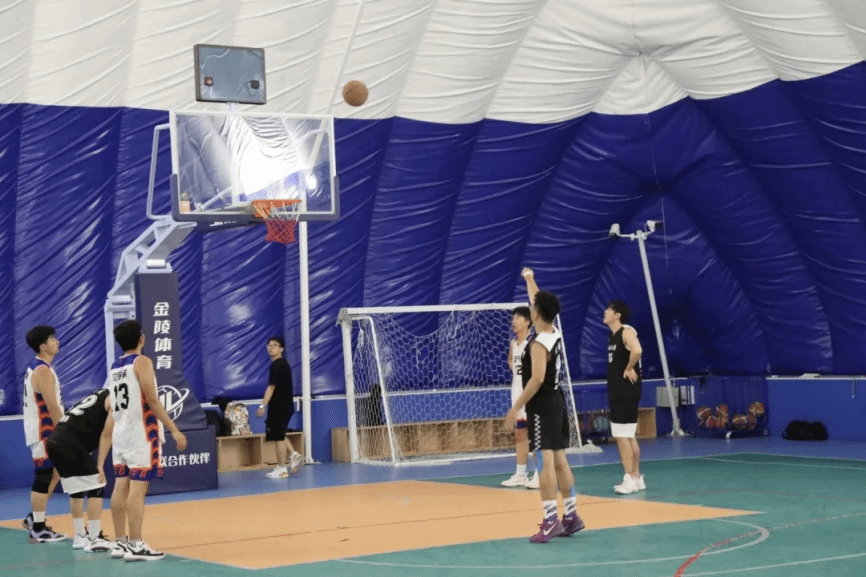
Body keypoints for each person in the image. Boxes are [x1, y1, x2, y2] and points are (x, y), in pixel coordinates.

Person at [505, 268, 584, 543]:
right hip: (557, 401)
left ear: (536, 314)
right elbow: (538, 299)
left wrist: (516, 407)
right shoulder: (554, 331)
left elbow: (537, 379)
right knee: (560, 460)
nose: (530, 308)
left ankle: (550, 521)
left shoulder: (539, 344)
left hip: (543, 405)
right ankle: (571, 515)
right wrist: (529, 279)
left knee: (544, 463)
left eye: (532, 308)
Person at [108, 319, 187, 562]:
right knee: (138, 488)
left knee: (120, 486)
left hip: (121, 432)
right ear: (141, 338)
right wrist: (174, 429)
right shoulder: (142, 362)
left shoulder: (115, 366)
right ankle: (136, 545)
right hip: (141, 433)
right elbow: (152, 400)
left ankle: (120, 542)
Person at [45, 388, 114, 552]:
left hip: (55, 440)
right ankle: (94, 539)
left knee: (76, 490)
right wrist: (100, 465)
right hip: (71, 442)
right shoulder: (117, 398)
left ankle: (80, 536)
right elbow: (107, 434)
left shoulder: (101, 393)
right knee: (97, 486)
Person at [21, 325, 66, 543]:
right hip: (44, 429)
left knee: (56, 472)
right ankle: (38, 528)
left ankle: (33, 518)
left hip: (43, 429)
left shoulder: (39, 367)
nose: (57, 341)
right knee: (44, 476)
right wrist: (65, 432)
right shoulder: (42, 371)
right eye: (52, 339)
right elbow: (53, 406)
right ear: (43, 346)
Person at [603, 300, 645, 495]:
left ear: (617, 314)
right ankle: (636, 478)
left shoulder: (626, 331)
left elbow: (637, 350)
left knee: (621, 436)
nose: (605, 312)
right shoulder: (613, 336)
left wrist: (629, 368)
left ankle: (629, 478)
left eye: (608, 310)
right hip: (620, 390)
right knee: (628, 435)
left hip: (625, 390)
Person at [501, 306, 542, 489]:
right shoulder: (513, 342)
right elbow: (511, 359)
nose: (514, 321)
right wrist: (516, 370)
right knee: (520, 435)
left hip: (531, 395)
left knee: (536, 437)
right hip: (516, 392)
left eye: (518, 318)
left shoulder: (533, 343)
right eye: (513, 318)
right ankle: (520, 474)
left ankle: (540, 474)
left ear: (528, 321)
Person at [256, 336, 302, 478]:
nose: (271, 347)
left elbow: (271, 387)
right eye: (269, 345)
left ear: (281, 349)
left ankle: (282, 469)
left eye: (274, 345)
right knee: (280, 434)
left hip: (279, 407)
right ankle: (293, 454)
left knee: (278, 438)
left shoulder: (277, 365)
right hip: (284, 406)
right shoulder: (283, 364)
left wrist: (262, 405)